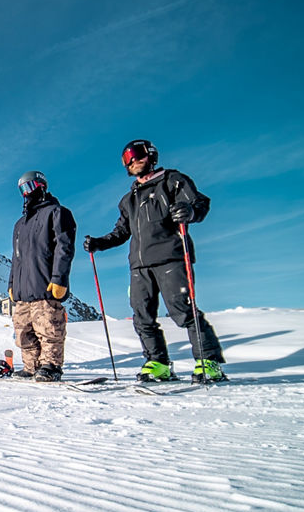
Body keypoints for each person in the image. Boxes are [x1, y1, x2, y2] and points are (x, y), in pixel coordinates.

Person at [83, 139, 225, 383]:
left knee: (183, 310)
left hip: (171, 257)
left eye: (137, 154)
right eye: (127, 158)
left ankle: (208, 361)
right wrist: (99, 243)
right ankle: (158, 363)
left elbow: (200, 203)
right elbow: (121, 232)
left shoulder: (172, 180)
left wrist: (190, 212)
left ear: (151, 155)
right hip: (139, 265)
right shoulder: (128, 200)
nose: (133, 161)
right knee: (142, 317)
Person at [8, 171, 76, 382]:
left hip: (45, 284)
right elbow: (16, 257)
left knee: (49, 329)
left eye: (30, 186)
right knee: (23, 332)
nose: (26, 193)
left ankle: (51, 366)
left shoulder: (57, 213)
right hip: (22, 290)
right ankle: (31, 366)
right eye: (22, 189)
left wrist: (59, 279)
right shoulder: (19, 225)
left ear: (42, 186)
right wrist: (12, 284)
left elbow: (64, 248)